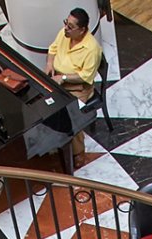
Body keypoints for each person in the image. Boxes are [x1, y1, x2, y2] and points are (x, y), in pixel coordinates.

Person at [46, 7, 102, 165]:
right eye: (66, 23)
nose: (66, 28)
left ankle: (78, 152)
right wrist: (50, 63)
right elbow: (53, 48)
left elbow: (86, 76)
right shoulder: (64, 34)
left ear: (82, 30)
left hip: (79, 89)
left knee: (70, 115)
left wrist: (63, 78)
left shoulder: (92, 49)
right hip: (57, 80)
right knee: (43, 106)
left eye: (71, 26)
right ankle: (53, 142)